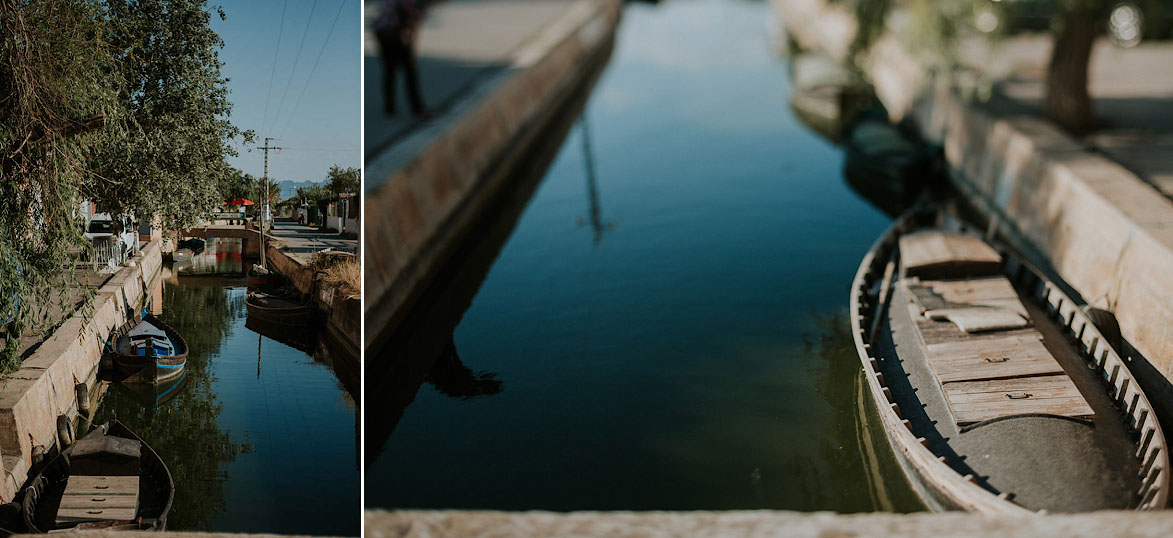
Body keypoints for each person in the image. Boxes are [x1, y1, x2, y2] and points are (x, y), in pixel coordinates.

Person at [374, 0, 429, 118]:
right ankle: (417, 108)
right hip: (395, 34)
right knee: (409, 72)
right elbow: (409, 13)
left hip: (385, 31)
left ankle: (390, 108)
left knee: (390, 71)